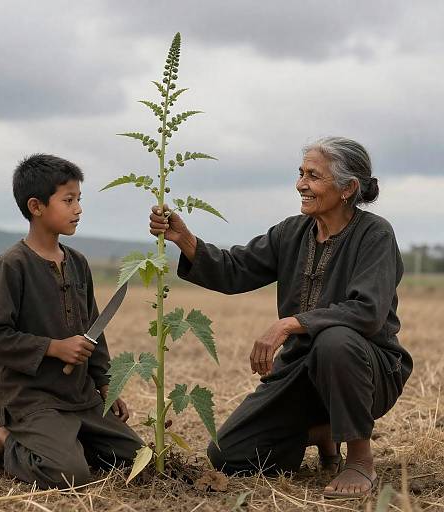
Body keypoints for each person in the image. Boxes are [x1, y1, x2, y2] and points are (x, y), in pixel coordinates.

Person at [149, 137, 412, 498]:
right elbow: (235, 270)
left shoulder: (375, 234)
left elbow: (366, 312)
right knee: (228, 453)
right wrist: (186, 240)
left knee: (335, 341)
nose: (301, 184)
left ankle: (359, 459)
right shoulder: (291, 232)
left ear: (348, 187)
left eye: (314, 176)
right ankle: (321, 431)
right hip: (300, 373)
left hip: (367, 370)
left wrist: (289, 323)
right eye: (301, 173)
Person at [0, 154, 142, 489]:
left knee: (136, 458)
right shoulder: (12, 266)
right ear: (36, 206)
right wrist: (53, 348)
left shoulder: (78, 263)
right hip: (31, 399)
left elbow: (94, 330)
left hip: (79, 397)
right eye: (68, 200)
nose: (78, 209)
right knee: (69, 474)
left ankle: (66, 440)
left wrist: (105, 383)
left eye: (79, 199)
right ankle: (3, 438)